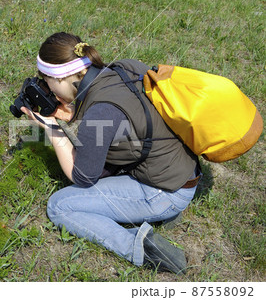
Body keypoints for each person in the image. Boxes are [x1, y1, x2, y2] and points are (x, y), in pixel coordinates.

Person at [20, 32, 201, 275]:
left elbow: (83, 176)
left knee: (59, 206)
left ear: (61, 77)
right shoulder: (123, 68)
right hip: (182, 170)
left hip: (165, 192)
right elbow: (126, 122)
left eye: (46, 79)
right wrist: (71, 114)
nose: (48, 89)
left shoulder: (100, 112)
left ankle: (139, 247)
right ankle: (157, 213)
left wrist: (53, 131)